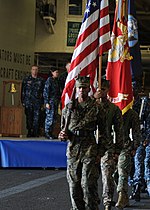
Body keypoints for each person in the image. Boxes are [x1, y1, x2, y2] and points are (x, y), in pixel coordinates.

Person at [58, 76, 108, 210]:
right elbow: (63, 130)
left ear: (89, 89)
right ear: (76, 88)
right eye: (79, 87)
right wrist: (62, 136)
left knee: (87, 185)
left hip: (89, 148)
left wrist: (100, 152)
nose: (81, 90)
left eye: (84, 87)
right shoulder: (69, 108)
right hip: (73, 148)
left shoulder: (97, 108)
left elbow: (104, 133)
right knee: (74, 186)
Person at [94, 79, 124, 210]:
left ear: (108, 91)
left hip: (107, 146)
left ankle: (107, 202)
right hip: (90, 146)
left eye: (104, 89)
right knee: (90, 178)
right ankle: (92, 201)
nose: (100, 92)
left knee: (107, 177)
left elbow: (119, 131)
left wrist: (117, 150)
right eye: (98, 89)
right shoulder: (90, 106)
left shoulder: (113, 109)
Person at [115, 108, 141, 209]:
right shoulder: (110, 110)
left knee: (122, 171)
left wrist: (135, 146)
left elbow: (136, 131)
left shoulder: (131, 114)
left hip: (126, 146)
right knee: (114, 175)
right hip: (111, 146)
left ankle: (121, 197)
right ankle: (125, 196)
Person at [130, 94, 150, 201]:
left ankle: (141, 185)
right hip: (135, 139)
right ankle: (136, 186)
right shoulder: (128, 104)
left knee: (146, 163)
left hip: (145, 138)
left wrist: (147, 137)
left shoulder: (144, 103)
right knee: (137, 162)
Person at [21, 65, 45, 137]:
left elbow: (43, 92)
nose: (34, 71)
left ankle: (35, 132)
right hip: (28, 102)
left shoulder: (41, 80)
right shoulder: (26, 79)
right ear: (31, 70)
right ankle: (29, 131)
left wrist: (43, 102)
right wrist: (23, 101)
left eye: (36, 69)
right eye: (33, 69)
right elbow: (23, 91)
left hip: (37, 102)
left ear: (38, 71)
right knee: (29, 118)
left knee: (37, 118)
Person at [43, 66, 61, 139]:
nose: (57, 74)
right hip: (50, 102)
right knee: (49, 118)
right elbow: (46, 92)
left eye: (58, 72)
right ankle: (47, 132)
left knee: (54, 118)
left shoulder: (56, 81)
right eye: (56, 72)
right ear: (52, 73)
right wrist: (46, 102)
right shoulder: (49, 80)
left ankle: (51, 132)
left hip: (55, 101)